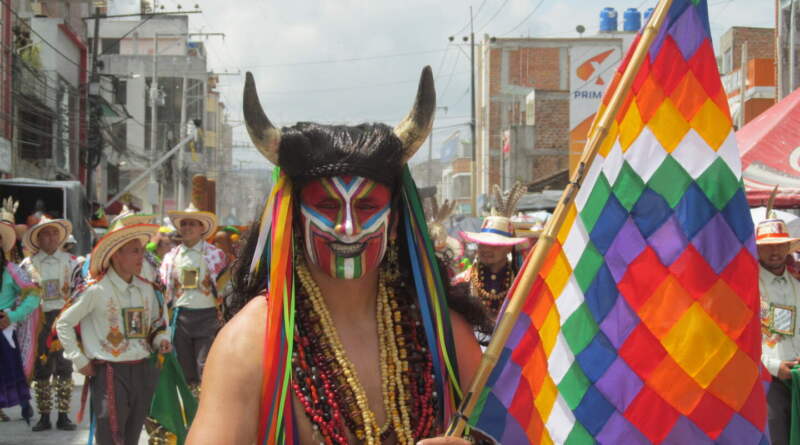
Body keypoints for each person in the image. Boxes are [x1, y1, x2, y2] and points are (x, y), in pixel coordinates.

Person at [186, 67, 492, 445]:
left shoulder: (442, 334)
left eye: (367, 207)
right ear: (295, 219)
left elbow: (504, 431)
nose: (347, 227)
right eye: (327, 206)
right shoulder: (251, 342)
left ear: (394, 221)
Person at [56, 221, 171, 445]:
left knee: (132, 435)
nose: (142, 257)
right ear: (116, 255)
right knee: (110, 436)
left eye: (142, 250)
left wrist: (161, 340)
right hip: (110, 372)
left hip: (143, 369)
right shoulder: (96, 290)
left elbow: (157, 325)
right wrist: (79, 359)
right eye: (135, 251)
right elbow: (64, 323)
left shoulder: (148, 289)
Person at [19, 215, 79, 431]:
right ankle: (44, 417)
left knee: (65, 367)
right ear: (38, 238)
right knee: (42, 368)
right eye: (46, 234)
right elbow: (20, 295)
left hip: (64, 319)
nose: (51, 237)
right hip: (39, 321)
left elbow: (80, 292)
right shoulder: (28, 265)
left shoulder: (73, 262)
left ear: (61, 237)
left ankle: (63, 416)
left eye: (55, 233)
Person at [160, 204, 227, 393]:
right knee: (184, 369)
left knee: (205, 367)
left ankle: (205, 406)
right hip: (180, 318)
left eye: (192, 224)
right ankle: (189, 408)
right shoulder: (170, 257)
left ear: (201, 228)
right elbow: (164, 291)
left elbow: (225, 288)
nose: (187, 227)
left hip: (208, 318)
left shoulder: (216, 255)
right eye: (184, 224)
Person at [454, 183, 527, 320]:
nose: (486, 249)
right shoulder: (462, 282)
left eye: (494, 245)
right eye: (482, 244)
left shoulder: (522, 284)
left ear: (508, 248)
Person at [758, 217, 800, 445]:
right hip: (765, 380)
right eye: (768, 246)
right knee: (777, 439)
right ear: (757, 250)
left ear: (787, 247)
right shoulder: (746, 287)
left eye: (779, 245)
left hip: (797, 376)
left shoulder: (797, 286)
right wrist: (773, 366)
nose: (774, 252)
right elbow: (739, 340)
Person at [0, 197, 37, 424]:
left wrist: (12, 316)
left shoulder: (11, 270)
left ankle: (24, 404)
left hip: (3, 327)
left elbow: (33, 294)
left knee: (11, 371)